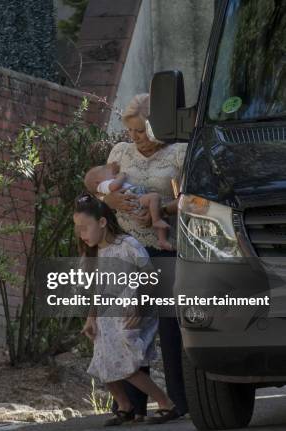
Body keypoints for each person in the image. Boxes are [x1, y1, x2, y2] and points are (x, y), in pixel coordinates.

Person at [101, 94, 188, 421]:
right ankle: (131, 406)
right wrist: (116, 203)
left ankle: (179, 402)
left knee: (169, 328)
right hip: (126, 251)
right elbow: (103, 189)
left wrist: (160, 209)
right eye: (132, 132)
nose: (136, 139)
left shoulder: (179, 154)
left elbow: (191, 198)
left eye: (141, 131)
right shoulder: (121, 152)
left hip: (164, 249)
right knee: (128, 325)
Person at [74, 193, 178, 426]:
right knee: (103, 364)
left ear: (102, 222)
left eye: (85, 228)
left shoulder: (128, 246)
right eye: (78, 229)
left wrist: (139, 310)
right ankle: (125, 406)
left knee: (127, 363)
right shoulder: (95, 254)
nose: (81, 234)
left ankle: (166, 404)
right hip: (106, 317)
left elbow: (151, 278)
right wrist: (91, 319)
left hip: (132, 312)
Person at [84, 162, 172, 250]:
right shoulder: (102, 185)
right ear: (97, 182)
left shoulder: (104, 182)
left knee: (157, 209)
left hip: (135, 197)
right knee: (155, 198)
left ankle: (162, 240)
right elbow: (114, 186)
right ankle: (157, 223)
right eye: (106, 172)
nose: (112, 174)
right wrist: (121, 177)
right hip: (133, 199)